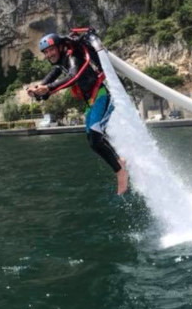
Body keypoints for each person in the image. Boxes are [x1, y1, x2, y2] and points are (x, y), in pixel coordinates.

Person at [26, 28, 128, 195]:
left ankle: (120, 172)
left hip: (102, 95)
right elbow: (51, 77)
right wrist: (37, 89)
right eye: (45, 52)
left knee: (95, 138)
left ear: (59, 47)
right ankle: (120, 160)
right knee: (92, 140)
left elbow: (74, 77)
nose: (49, 54)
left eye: (51, 49)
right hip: (91, 102)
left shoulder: (73, 57)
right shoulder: (60, 63)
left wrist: (48, 88)